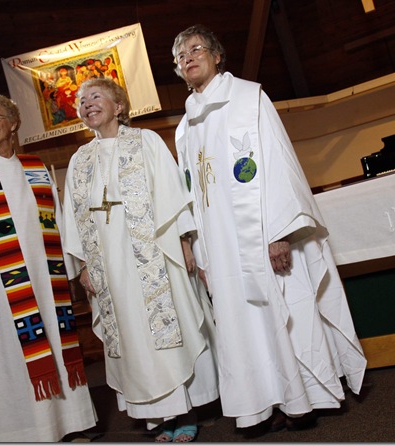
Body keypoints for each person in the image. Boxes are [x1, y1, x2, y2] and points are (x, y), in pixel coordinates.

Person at [171, 25, 368, 434]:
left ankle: (300, 402)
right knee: (240, 327)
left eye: (195, 49)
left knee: (285, 312)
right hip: (220, 251)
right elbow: (191, 196)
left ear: (216, 55)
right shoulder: (183, 128)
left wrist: (279, 232)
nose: (188, 58)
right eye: (180, 56)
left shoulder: (249, 98)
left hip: (262, 236)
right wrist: (201, 254)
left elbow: (278, 164)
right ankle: (262, 403)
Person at [62, 78, 219, 443]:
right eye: (82, 102)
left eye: (95, 97)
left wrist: (182, 240)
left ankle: (184, 411)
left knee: (166, 328)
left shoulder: (145, 140)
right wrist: (84, 265)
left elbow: (171, 190)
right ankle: (156, 420)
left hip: (153, 254)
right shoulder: (78, 159)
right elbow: (71, 215)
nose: (87, 105)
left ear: (119, 106)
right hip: (109, 265)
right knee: (133, 338)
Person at [0, 93, 98, 442]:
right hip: (4, 290)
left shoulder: (36, 168)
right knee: (14, 362)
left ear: (13, 123)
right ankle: (28, 434)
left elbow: (58, 223)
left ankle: (70, 425)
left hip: (47, 284)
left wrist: (72, 269)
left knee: (57, 349)